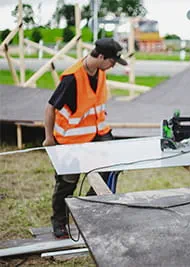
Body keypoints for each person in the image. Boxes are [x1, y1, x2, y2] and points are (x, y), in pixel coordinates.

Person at [42, 38, 127, 238]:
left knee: (111, 168)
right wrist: (49, 138)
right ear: (100, 57)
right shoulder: (72, 78)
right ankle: (60, 222)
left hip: (98, 132)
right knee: (68, 181)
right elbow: (50, 107)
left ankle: (88, 207)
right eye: (112, 62)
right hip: (71, 138)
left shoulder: (101, 71)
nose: (113, 66)